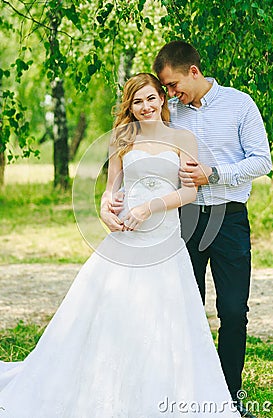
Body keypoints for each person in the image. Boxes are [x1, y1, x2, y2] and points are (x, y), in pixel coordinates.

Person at [0, 73, 240, 417]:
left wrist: (148, 207)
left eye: (151, 98)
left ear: (163, 98)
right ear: (131, 105)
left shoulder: (183, 137)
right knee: (108, 313)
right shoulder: (123, 137)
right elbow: (112, 187)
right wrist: (104, 207)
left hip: (164, 241)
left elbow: (189, 192)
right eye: (137, 101)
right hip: (125, 237)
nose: (145, 107)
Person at [108, 44, 272, 418]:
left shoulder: (239, 104)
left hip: (229, 217)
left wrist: (213, 174)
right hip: (182, 220)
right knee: (184, 307)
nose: (170, 93)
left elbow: (262, 160)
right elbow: (136, 147)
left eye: (172, 85)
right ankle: (182, 389)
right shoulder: (170, 113)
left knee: (233, 311)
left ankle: (230, 393)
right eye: (165, 88)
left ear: (194, 72)